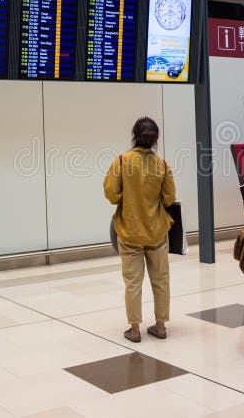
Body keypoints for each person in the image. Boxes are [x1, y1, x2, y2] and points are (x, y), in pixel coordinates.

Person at [103, 117, 176, 343]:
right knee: (161, 279)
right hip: (156, 232)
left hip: (129, 232)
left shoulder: (122, 162)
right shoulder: (162, 165)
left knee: (133, 282)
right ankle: (161, 326)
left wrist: (129, 197)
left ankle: (134, 330)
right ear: (155, 140)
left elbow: (111, 194)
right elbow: (169, 198)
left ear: (134, 135)